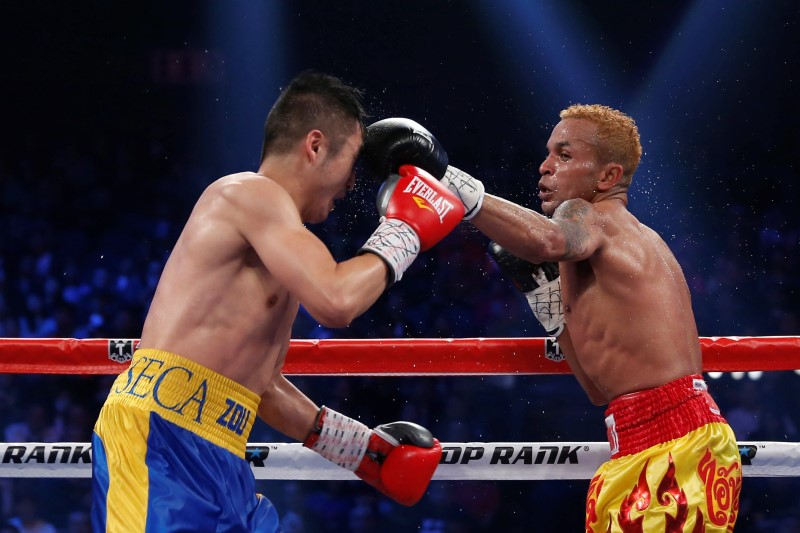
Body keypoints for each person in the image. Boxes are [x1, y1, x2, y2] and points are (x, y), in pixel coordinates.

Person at [91, 71, 464, 532]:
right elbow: (336, 301)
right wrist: (407, 228)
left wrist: (362, 451)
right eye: (352, 159)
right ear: (315, 145)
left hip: (216, 452)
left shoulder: (281, 240)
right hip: (161, 439)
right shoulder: (249, 193)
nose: (354, 182)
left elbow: (262, 385)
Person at [441, 104, 742, 531]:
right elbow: (599, 389)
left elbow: (545, 241)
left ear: (606, 178)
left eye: (564, 156)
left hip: (674, 452)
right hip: (645, 443)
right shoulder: (610, 244)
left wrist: (452, 184)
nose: (545, 167)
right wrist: (546, 300)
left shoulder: (588, 216)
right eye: (548, 154)